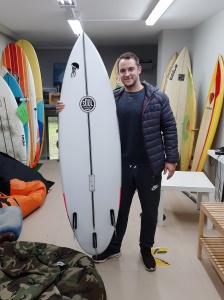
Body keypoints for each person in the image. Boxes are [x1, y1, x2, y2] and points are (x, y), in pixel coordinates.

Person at [56, 52, 179, 272]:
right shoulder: (112, 98)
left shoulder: (157, 97)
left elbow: (169, 127)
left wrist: (172, 159)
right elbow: (89, 114)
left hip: (148, 166)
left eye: (131, 69)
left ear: (139, 70)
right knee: (118, 210)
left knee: (150, 211)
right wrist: (66, 111)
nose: (127, 74)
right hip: (118, 166)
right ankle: (114, 246)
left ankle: (145, 249)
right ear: (119, 74)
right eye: (122, 70)